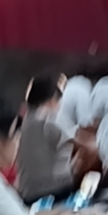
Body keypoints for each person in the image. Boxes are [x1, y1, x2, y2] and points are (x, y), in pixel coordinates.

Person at [16, 76, 75, 204]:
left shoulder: (26, 120)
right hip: (54, 191)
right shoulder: (48, 118)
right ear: (52, 98)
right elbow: (76, 142)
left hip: (27, 192)